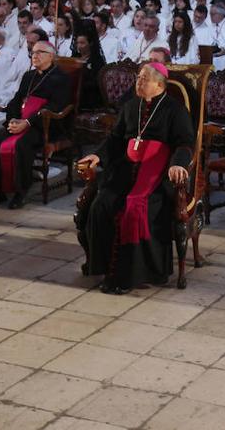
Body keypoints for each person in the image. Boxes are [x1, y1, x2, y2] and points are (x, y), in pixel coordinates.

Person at [76, 62, 195, 294]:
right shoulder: (131, 106)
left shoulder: (175, 110)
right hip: (124, 171)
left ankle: (134, 274)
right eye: (138, 78)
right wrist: (98, 155)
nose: (138, 83)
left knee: (135, 210)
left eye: (143, 79)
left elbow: (185, 142)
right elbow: (115, 139)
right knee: (101, 205)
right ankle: (101, 266)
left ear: (159, 84)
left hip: (157, 174)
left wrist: (178, 164)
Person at [0, 42, 71, 208]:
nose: (35, 55)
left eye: (40, 52)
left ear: (51, 56)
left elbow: (55, 106)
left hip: (45, 125)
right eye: (32, 52)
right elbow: (17, 100)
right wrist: (12, 119)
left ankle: (20, 192)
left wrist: (27, 122)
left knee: (21, 144)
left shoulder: (61, 78)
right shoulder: (29, 76)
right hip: (21, 121)